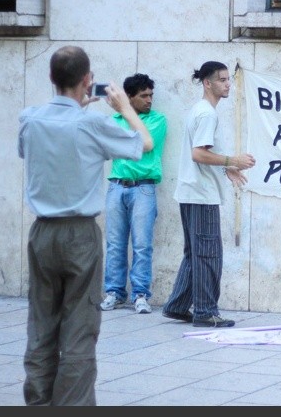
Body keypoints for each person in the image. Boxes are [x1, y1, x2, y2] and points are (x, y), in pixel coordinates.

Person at [17, 45, 153, 405]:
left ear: (51, 78)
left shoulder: (30, 118)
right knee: (79, 329)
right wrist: (124, 108)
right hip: (79, 233)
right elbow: (144, 143)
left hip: (42, 231)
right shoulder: (92, 124)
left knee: (41, 325)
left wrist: (76, 109)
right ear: (87, 80)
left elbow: (33, 149)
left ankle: (38, 402)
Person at [161, 61, 256, 328]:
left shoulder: (201, 111)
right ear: (207, 83)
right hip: (201, 195)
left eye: (228, 80)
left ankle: (177, 306)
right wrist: (233, 160)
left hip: (192, 192)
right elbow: (199, 154)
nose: (228, 84)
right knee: (208, 254)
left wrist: (227, 168)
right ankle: (205, 311)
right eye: (222, 80)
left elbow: (203, 153)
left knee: (195, 254)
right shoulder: (207, 114)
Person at [100, 73, 168, 315]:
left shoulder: (158, 120)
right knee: (115, 244)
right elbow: (111, 147)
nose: (149, 100)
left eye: (151, 95)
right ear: (129, 97)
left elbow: (145, 144)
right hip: (117, 185)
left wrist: (128, 122)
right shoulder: (113, 120)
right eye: (143, 96)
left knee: (142, 244)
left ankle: (140, 294)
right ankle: (114, 293)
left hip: (143, 187)